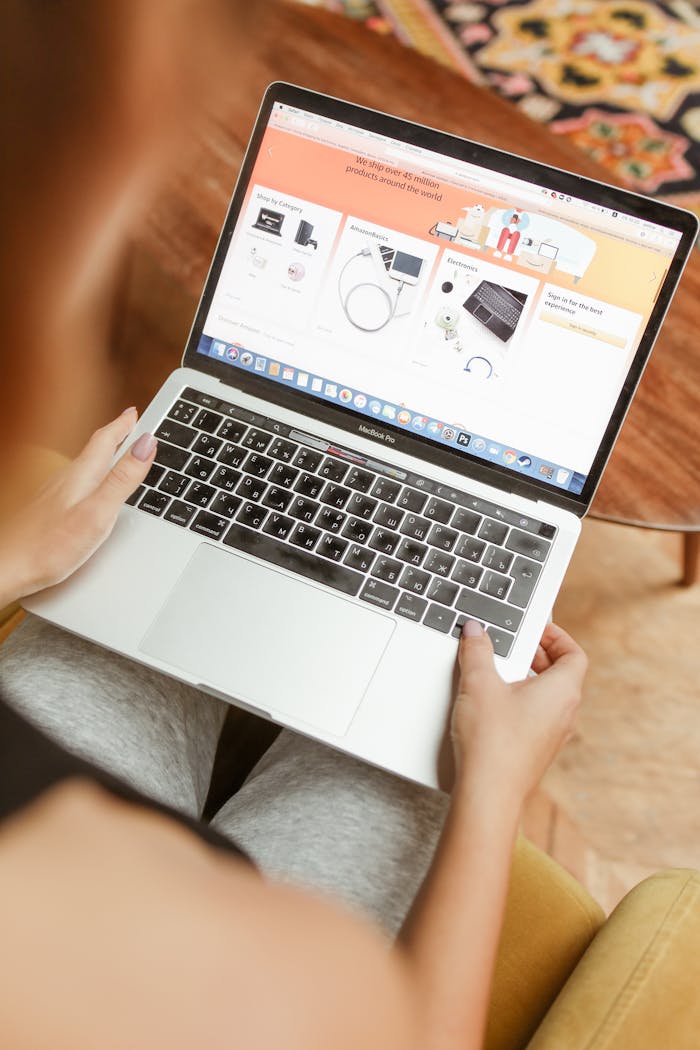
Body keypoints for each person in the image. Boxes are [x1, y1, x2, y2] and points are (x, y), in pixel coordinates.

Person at [0, 3, 588, 1048]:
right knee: (403, 757)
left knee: (121, 601)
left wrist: (9, 564)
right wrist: (494, 786)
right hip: (174, 976)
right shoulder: (282, 984)